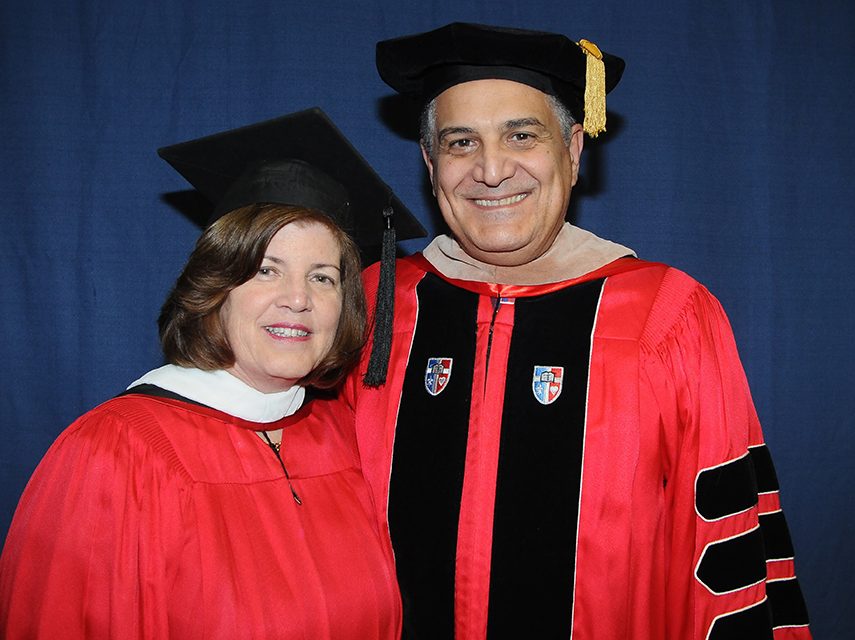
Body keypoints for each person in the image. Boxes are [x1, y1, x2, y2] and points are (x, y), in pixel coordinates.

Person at [344, 23, 813, 639]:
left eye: (521, 135)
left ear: (573, 150)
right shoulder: (376, 303)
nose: (491, 170)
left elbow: (722, 549)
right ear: (430, 162)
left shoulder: (666, 315)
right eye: (461, 142)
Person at [0, 108, 423, 639]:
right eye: (266, 269)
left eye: (323, 277)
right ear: (216, 285)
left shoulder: (344, 437)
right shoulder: (114, 455)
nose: (298, 299)